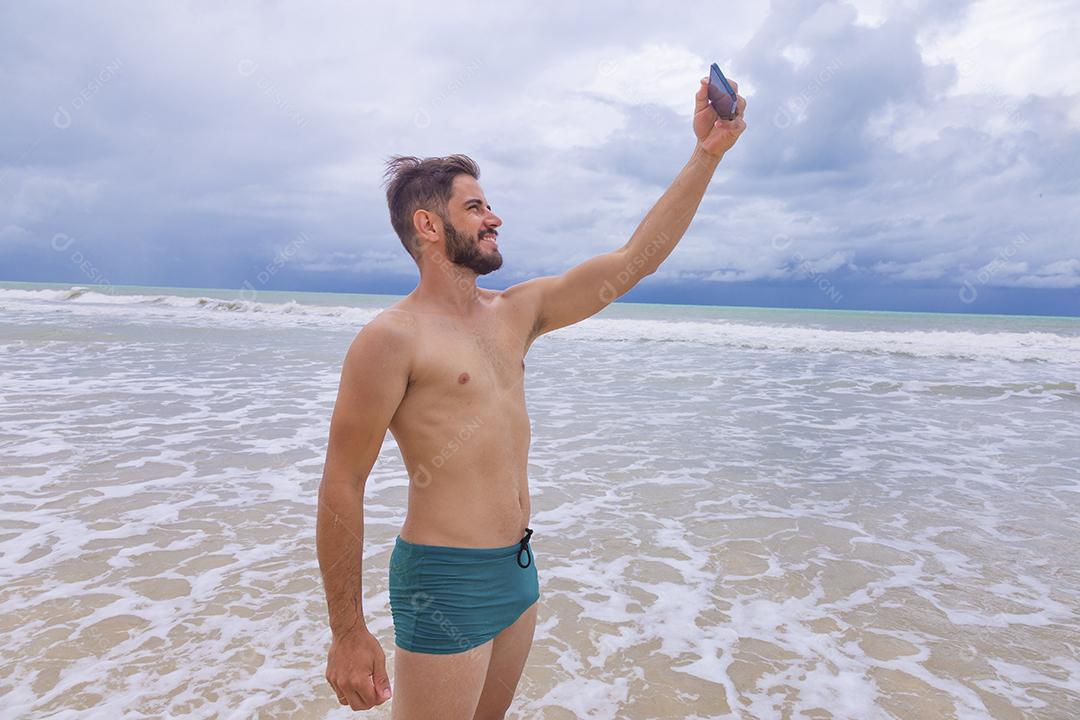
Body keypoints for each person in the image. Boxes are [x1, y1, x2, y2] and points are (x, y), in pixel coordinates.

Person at [317, 74, 746, 718]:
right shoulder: (390, 339)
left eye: (489, 205)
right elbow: (342, 481)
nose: (494, 218)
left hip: (517, 571)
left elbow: (636, 259)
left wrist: (707, 154)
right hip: (447, 580)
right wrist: (348, 632)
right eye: (475, 208)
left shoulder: (516, 313)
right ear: (428, 225)